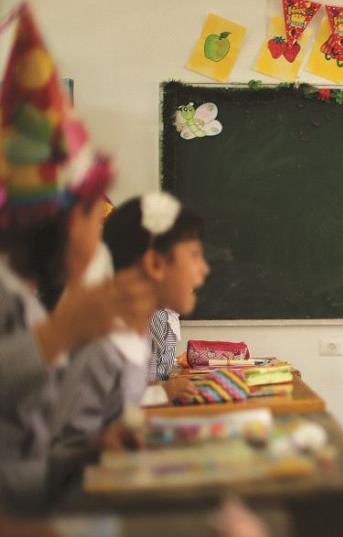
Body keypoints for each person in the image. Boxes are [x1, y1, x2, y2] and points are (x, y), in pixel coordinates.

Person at [0, 4, 155, 512]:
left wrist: (86, 451)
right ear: (68, 224)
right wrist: (63, 330)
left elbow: (22, 450)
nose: (103, 230)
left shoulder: (31, 303)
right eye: (96, 217)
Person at [50, 193, 208, 494]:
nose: (204, 269)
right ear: (155, 263)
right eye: (194, 255)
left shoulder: (136, 332)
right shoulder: (102, 341)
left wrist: (117, 436)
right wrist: (97, 447)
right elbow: (47, 457)